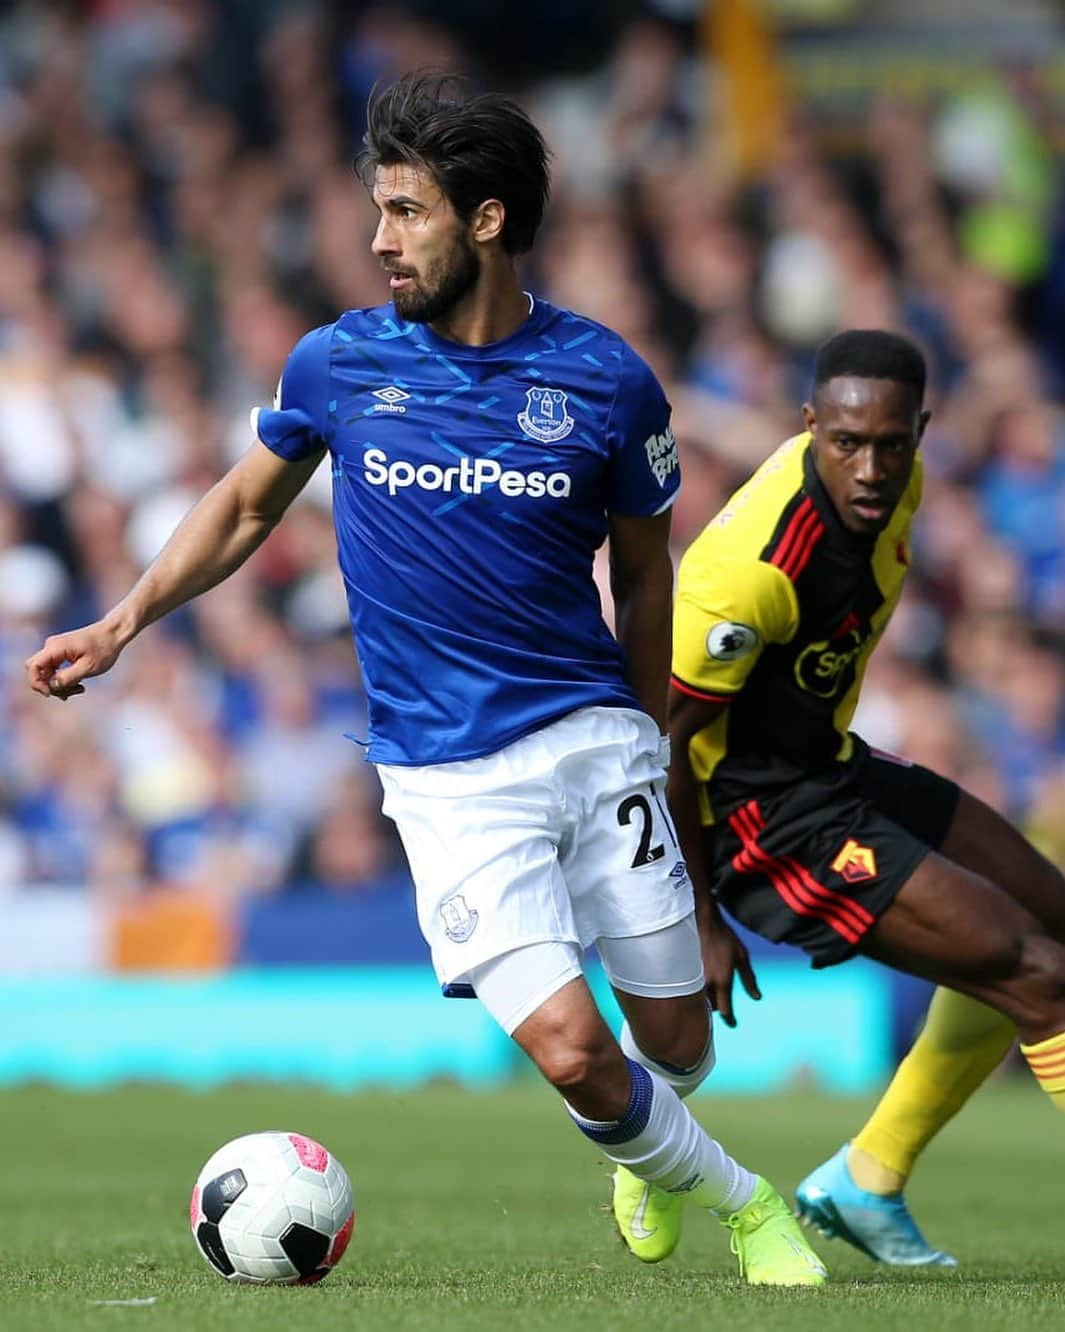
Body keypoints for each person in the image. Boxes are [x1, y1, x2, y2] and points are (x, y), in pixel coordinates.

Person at [25, 73, 825, 1286]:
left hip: (596, 739)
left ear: (487, 220)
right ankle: (744, 1200)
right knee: (568, 1049)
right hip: (446, 778)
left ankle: (645, 1146)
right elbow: (246, 502)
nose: (381, 240)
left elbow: (648, 576)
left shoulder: (606, 383)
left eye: (407, 213)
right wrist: (126, 619)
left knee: (672, 1032)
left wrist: (655, 748)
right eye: (380, 212)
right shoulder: (340, 363)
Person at [609, 328, 1065, 1269]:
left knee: (1045, 920)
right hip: (750, 819)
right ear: (809, 426)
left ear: (918, 433)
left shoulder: (905, 488)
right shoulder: (751, 570)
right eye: (845, 443)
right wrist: (694, 916)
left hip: (826, 766)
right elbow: (656, 748)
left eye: (890, 444)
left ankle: (868, 1179)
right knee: (1038, 976)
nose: (868, 468)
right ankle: (663, 1111)